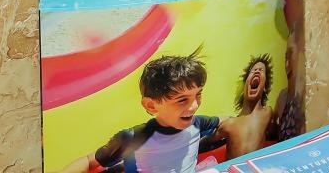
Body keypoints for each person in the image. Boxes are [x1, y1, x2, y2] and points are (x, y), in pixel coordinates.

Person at [92, 52, 228, 173]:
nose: (194, 106)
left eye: (198, 94)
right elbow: (89, 161)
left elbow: (224, 120)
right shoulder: (132, 138)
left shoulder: (198, 123)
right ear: (151, 106)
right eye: (182, 100)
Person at [217, 54, 275, 159]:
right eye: (253, 70)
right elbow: (204, 141)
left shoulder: (267, 113)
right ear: (245, 84)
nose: (257, 71)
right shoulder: (229, 123)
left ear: (265, 87)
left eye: (261, 70)